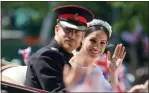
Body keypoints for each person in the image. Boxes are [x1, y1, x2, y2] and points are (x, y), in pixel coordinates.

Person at [24, 5, 94, 92]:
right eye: (67, 30)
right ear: (57, 29)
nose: (72, 36)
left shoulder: (68, 58)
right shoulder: (47, 56)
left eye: (76, 32)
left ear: (83, 36)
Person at [63, 19, 126, 92]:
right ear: (83, 37)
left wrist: (113, 72)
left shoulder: (96, 70)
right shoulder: (67, 64)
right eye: (93, 40)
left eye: (102, 43)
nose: (96, 47)